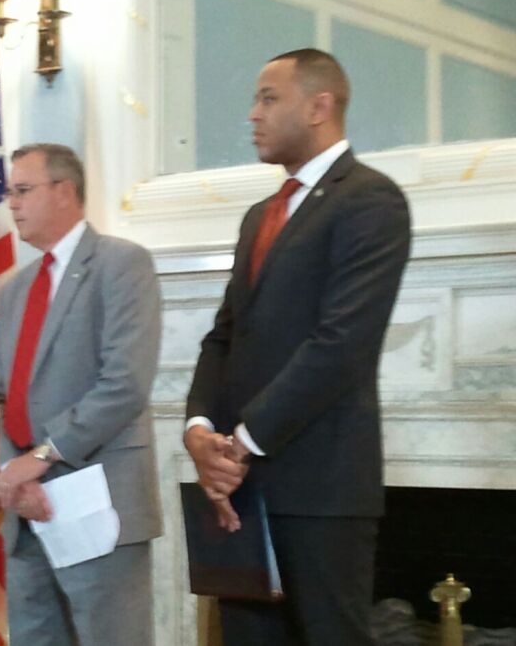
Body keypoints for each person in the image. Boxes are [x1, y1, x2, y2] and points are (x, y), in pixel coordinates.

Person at [184, 48, 411, 645]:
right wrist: (199, 429)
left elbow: (342, 345)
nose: (252, 114)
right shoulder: (260, 214)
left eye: (268, 97)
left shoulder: (370, 199)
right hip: (242, 497)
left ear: (319, 106)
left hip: (321, 493)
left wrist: (241, 441)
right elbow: (224, 336)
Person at [0, 143, 163, 645]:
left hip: (99, 501)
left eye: (23, 191)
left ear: (64, 191)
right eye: (10, 193)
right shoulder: (15, 288)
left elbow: (125, 383)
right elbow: (7, 398)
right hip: (28, 507)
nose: (13, 205)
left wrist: (41, 457)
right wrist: (13, 476)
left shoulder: (121, 263)